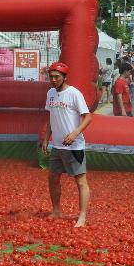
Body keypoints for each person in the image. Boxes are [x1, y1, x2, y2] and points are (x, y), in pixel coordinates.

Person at [41, 62, 92, 228]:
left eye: (57, 77)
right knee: (52, 178)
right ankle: (56, 211)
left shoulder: (74, 93)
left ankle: (82, 217)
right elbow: (51, 119)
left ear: (65, 77)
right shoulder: (50, 93)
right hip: (57, 146)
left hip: (74, 146)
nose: (53, 79)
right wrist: (46, 138)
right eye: (51, 76)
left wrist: (75, 133)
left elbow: (88, 117)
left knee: (81, 181)